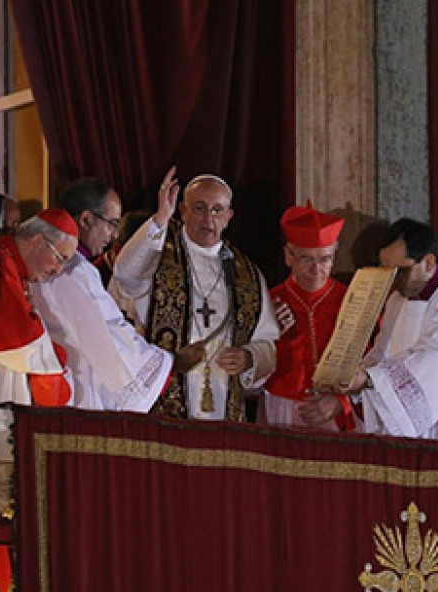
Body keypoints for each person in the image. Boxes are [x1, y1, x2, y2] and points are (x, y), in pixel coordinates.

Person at [307, 218, 438, 439]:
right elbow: (380, 356)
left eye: (399, 271)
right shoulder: (396, 300)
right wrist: (347, 387)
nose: (391, 280)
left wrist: (368, 379)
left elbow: (436, 363)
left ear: (429, 262)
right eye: (385, 271)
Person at [109, 168, 280, 421]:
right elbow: (126, 275)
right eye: (199, 207)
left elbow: (268, 343)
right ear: (183, 210)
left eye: (217, 209)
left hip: (223, 402)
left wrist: (249, 357)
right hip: (163, 401)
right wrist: (159, 219)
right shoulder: (158, 256)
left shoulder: (247, 274)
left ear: (229, 216)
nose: (208, 218)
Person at [30, 179, 199, 411]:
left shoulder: (49, 261)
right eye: (111, 224)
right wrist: (169, 363)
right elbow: (107, 333)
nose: (113, 235)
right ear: (86, 219)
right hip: (74, 390)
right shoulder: (73, 271)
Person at [0, 209, 80, 406]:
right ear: (37, 241)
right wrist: (51, 355)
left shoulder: (12, 264)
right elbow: (17, 334)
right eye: (59, 258)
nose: (57, 270)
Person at [252, 202, 353, 430]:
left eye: (325, 258)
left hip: (336, 412)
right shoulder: (267, 301)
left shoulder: (353, 300)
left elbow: (374, 363)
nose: (317, 269)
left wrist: (341, 402)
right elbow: (248, 373)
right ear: (288, 256)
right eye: (307, 259)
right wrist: (269, 332)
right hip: (280, 409)